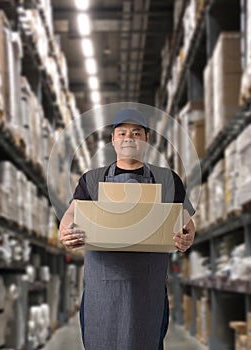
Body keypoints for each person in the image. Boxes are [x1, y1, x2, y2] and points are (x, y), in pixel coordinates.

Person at [59, 109, 196, 350]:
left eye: (136, 133)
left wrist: (187, 237)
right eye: (122, 133)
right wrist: (65, 231)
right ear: (113, 139)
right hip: (104, 280)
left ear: (147, 140)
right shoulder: (93, 178)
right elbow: (72, 213)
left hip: (147, 283)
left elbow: (185, 220)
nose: (129, 138)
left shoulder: (166, 179)